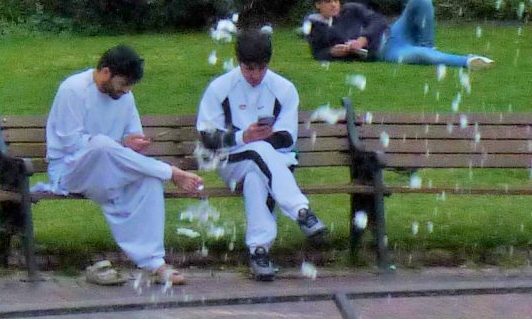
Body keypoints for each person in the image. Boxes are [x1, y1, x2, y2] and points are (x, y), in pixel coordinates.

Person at [44, 44, 203, 289]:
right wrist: (117, 145)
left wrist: (133, 143)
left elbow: (132, 133)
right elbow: (70, 143)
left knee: (148, 181)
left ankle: (155, 263)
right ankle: (170, 172)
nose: (126, 90)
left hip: (108, 170)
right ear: (105, 72)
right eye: (123, 84)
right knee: (101, 144)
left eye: (130, 86)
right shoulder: (73, 89)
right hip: (70, 170)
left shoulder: (125, 97)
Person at [195, 29, 332, 280]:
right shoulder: (220, 88)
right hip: (231, 161)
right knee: (257, 152)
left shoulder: (284, 89)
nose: (256, 75)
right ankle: (301, 211)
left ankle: (259, 252)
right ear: (238, 62)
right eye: (249, 68)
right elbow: (208, 139)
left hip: (276, 160)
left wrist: (263, 136)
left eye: (262, 68)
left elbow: (287, 139)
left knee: (257, 176)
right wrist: (242, 137)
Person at [301, 0, 490, 71]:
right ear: (319, 5)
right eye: (329, 2)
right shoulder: (316, 27)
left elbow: (378, 21)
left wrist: (362, 39)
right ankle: (468, 61)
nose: (335, 5)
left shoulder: (351, 9)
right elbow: (318, 53)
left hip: (393, 32)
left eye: (336, 0)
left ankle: (427, 45)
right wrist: (335, 53)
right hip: (384, 51)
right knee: (421, 56)